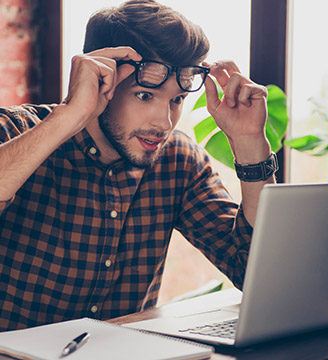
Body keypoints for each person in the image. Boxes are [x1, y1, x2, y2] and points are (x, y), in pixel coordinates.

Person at [0, 0, 277, 331]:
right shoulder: (18, 132)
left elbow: (259, 275)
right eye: (145, 96)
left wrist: (250, 146)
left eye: (177, 100)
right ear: (101, 78)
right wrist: (71, 115)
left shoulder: (178, 161)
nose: (163, 122)